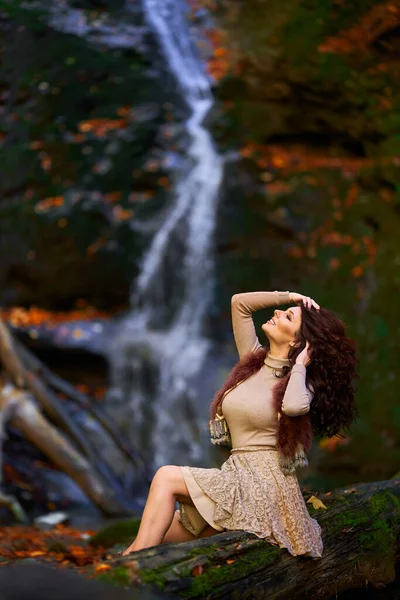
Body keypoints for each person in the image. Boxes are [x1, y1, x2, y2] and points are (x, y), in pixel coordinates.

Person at [121, 290, 358, 557]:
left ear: (297, 341)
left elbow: (293, 407)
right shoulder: (253, 361)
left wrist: (302, 362)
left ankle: (132, 571)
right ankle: (120, 577)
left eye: (288, 317)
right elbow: (239, 304)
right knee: (149, 536)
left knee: (166, 476)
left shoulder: (301, 381)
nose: (277, 313)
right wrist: (289, 297)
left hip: (264, 487)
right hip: (235, 478)